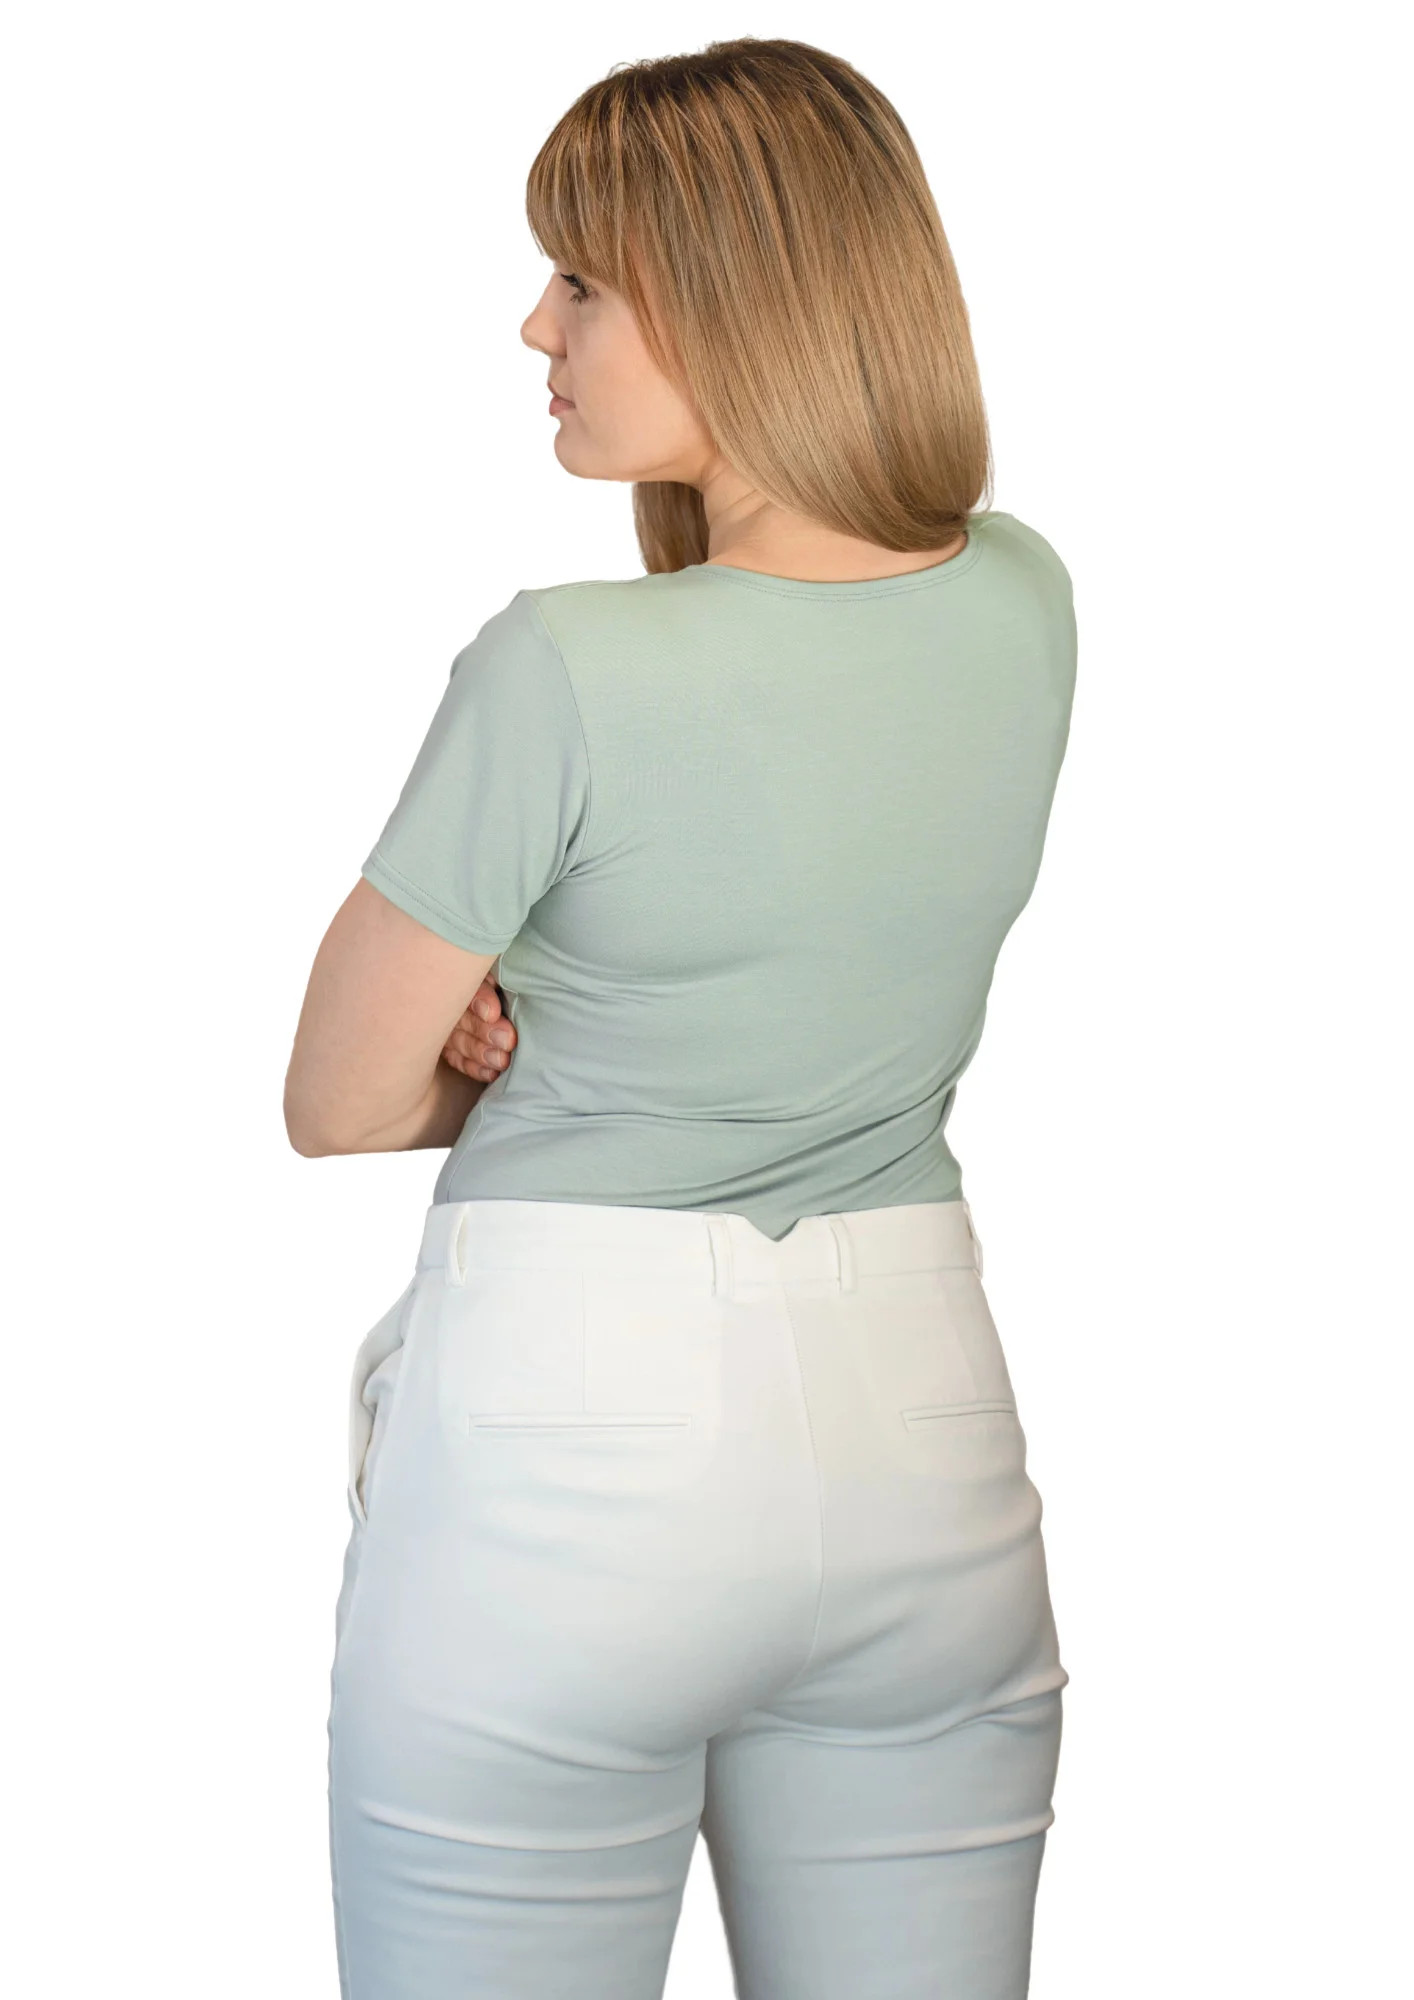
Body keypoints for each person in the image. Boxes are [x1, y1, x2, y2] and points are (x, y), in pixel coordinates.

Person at [284, 34, 1078, 2000]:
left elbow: (335, 1099)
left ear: (739, 294)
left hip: (571, 1449)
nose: (532, 325)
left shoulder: (562, 666)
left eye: (581, 279)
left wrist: (492, 1044)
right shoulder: (1023, 599)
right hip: (921, 1434)